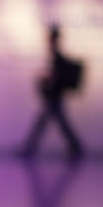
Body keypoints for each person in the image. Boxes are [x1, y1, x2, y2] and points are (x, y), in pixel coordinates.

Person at [19, 24, 84, 161]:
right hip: (54, 95)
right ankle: (75, 146)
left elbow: (56, 75)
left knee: (50, 123)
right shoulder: (55, 53)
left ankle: (75, 146)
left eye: (49, 37)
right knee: (51, 122)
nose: (47, 40)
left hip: (54, 94)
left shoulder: (55, 54)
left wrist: (46, 79)